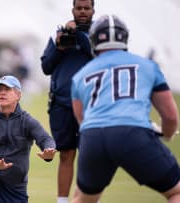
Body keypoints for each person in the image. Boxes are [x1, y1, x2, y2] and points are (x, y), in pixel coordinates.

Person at [71, 14, 180, 203]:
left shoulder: (80, 75)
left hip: (92, 137)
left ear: (94, 40)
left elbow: (81, 118)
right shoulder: (147, 66)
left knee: (83, 199)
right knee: (175, 191)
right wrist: (167, 134)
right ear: (124, 38)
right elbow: (170, 115)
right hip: (132, 133)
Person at [0, 75, 57, 203]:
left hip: (15, 184)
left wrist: (49, 151)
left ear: (18, 95)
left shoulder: (27, 120)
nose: (2, 93)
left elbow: (45, 138)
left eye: (7, 89)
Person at [40, 0, 94, 202]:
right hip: (61, 105)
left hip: (90, 106)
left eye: (86, 8)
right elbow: (46, 67)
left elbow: (96, 54)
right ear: (72, 10)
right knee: (66, 154)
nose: (82, 11)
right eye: (78, 8)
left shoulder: (99, 34)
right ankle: (62, 201)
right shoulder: (59, 34)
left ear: (92, 10)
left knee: (89, 156)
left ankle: (84, 199)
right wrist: (59, 45)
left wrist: (78, 33)